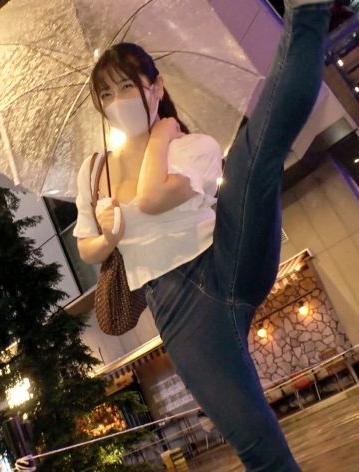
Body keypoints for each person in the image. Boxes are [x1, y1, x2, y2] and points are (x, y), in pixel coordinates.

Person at [74, 1, 333, 470]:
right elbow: (88, 248)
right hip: (178, 307)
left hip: (227, 259)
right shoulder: (93, 173)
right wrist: (110, 236)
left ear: (156, 87)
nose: (117, 101)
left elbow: (152, 197)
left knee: (255, 156)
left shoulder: (193, 146)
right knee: (257, 447)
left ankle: (307, 10)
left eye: (127, 86)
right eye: (106, 94)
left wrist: (161, 135)